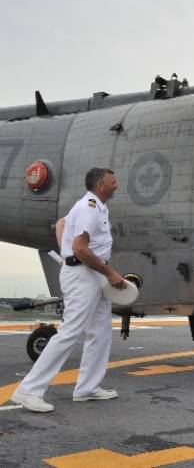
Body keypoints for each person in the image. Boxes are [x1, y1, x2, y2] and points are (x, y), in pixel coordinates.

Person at [11, 168, 127, 413]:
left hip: (92, 273)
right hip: (84, 274)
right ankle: (28, 390)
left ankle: (87, 388)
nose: (116, 185)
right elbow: (81, 248)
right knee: (71, 331)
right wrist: (109, 273)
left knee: (101, 330)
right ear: (100, 185)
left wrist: (68, 249)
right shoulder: (89, 207)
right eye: (112, 182)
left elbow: (64, 223)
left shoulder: (96, 206)